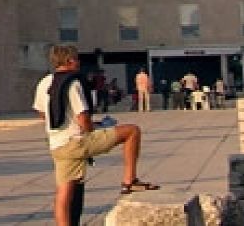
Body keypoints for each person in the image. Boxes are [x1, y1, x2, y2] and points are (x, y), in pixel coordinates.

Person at [33, 45, 159, 226]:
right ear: (69, 61)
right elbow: (83, 118)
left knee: (63, 193)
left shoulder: (44, 82)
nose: (79, 62)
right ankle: (129, 180)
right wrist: (96, 127)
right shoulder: (73, 83)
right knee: (132, 131)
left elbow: (42, 113)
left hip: (57, 144)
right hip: (77, 141)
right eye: (77, 59)